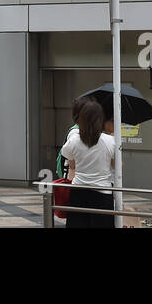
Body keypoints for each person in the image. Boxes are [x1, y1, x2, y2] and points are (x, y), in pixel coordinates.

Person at [60, 98, 117, 228]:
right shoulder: (110, 141)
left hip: (78, 190)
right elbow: (115, 166)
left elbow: (71, 164)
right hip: (102, 192)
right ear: (100, 120)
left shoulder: (74, 140)